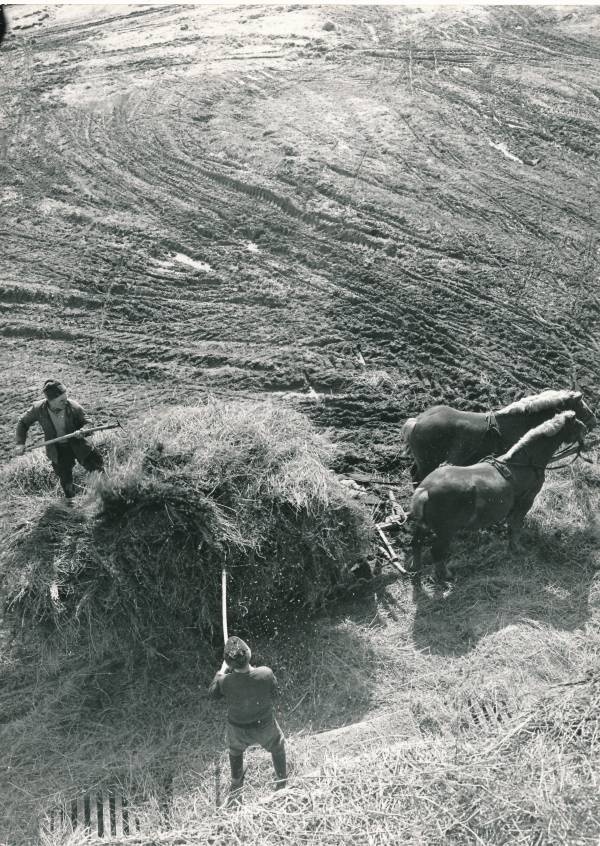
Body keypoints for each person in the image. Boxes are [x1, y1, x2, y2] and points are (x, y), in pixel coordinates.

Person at [208, 636, 287, 805]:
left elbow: (213, 694)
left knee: (235, 750)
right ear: (249, 653)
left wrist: (221, 671)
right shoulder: (266, 673)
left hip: (238, 728)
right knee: (277, 745)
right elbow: (275, 693)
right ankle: (281, 780)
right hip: (264, 724)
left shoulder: (224, 681)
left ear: (229, 663)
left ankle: (236, 780)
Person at [15, 380, 104, 498]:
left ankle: (107, 494)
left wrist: (84, 431)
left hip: (78, 444)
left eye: (65, 398)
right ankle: (71, 502)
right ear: (50, 401)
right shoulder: (38, 409)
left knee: (97, 469)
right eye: (61, 400)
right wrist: (20, 443)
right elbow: (22, 423)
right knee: (66, 481)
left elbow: (88, 422)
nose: (65, 402)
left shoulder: (73, 406)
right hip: (58, 449)